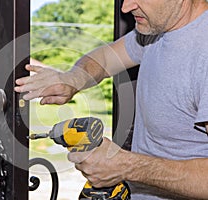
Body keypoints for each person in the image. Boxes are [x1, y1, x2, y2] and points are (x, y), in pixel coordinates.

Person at [14, 0, 208, 199]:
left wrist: (128, 166)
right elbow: (106, 58)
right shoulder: (159, 28)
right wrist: (73, 79)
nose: (125, 7)